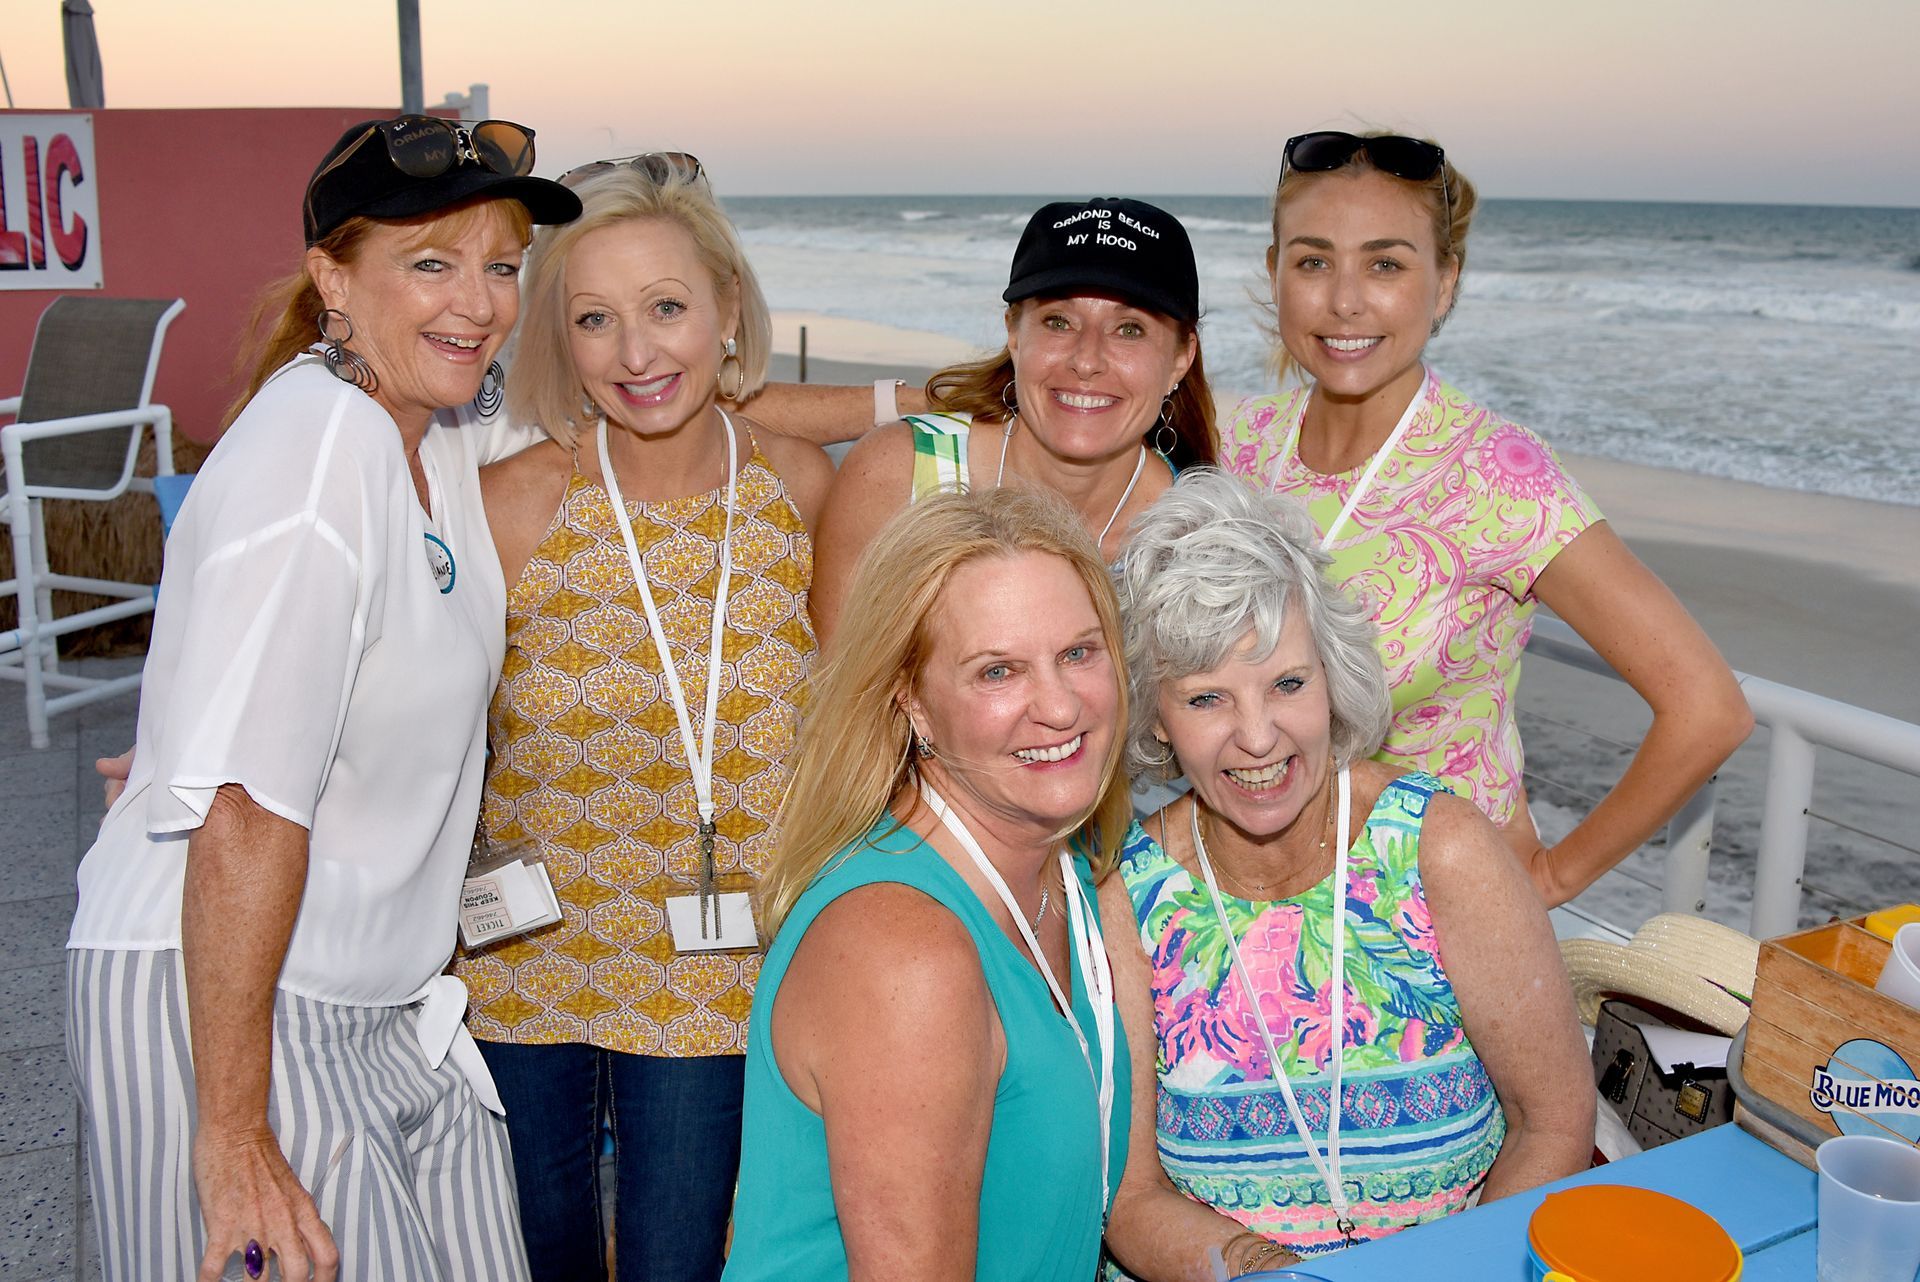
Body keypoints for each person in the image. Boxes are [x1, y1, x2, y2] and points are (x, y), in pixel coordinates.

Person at [65, 116, 581, 1282]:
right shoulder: (314, 460)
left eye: (502, 265)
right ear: (332, 278)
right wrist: (235, 1134)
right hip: (230, 993)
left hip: (381, 995)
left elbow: (645, 397)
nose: (481, 301)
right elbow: (246, 811)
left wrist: (906, 410)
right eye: (431, 263)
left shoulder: (436, 421)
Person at [447, 155, 833, 1282]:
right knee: (540, 1250)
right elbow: (417, 706)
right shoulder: (516, 502)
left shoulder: (801, 488)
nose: (638, 353)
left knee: (674, 1258)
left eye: (667, 308)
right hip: (522, 953)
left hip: (713, 972)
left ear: (725, 308)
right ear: (560, 341)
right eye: (596, 320)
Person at [1221, 131, 1753, 908]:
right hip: (1255, 903)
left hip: (1428, 924)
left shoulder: (1498, 476)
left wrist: (1550, 877)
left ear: (1444, 285)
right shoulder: (1242, 446)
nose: (1344, 300)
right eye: (1313, 261)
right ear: (1275, 275)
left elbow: (1709, 709)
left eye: (1386, 264)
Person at [1100, 471, 1592, 1277]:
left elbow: (1554, 1123)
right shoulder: (1127, 898)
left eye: (1287, 684)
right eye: (1207, 700)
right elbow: (1132, 1198)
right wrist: (1265, 1271)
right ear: (1155, 714)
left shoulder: (1441, 849)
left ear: (1332, 679)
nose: (1257, 737)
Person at [722, 487, 1132, 1281]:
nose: (1058, 705)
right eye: (998, 671)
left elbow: (1120, 1198)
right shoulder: (903, 948)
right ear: (914, 705)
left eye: (1080, 652)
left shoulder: (1069, 876)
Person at [809, 196, 1217, 644]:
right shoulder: (900, 474)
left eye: (1130, 329)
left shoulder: (1199, 538)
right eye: (1058, 321)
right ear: (1014, 334)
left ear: (1182, 357)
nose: (1086, 359)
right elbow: (839, 695)